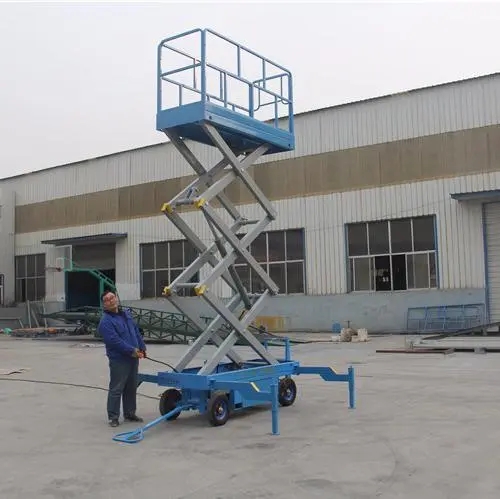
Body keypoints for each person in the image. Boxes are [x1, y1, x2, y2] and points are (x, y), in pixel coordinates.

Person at [98, 290, 147, 427]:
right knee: (117, 387)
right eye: (107, 300)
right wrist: (131, 350)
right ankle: (113, 417)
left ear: (117, 298)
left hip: (133, 357)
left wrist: (142, 347)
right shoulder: (105, 322)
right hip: (119, 359)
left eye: (112, 297)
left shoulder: (126, 314)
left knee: (131, 386)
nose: (110, 301)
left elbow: (135, 331)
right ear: (104, 304)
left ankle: (130, 413)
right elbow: (114, 341)